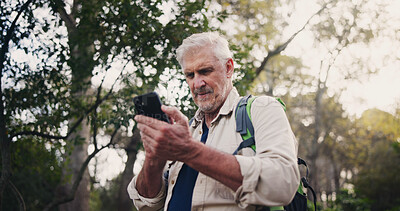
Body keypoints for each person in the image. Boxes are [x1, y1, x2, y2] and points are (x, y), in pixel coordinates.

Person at [127, 31, 300, 210]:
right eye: (190, 75)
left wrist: (189, 151)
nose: (197, 83)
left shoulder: (262, 108)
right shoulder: (185, 132)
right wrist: (154, 157)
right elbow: (145, 205)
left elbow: (283, 183)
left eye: (205, 71)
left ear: (228, 68)